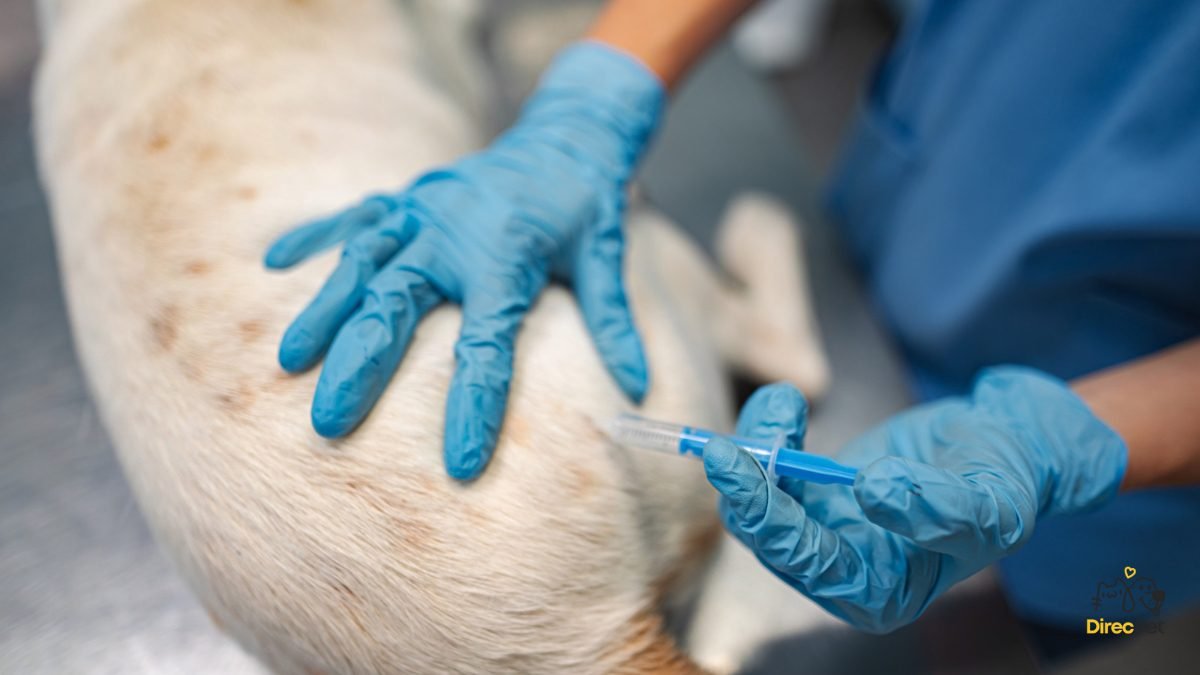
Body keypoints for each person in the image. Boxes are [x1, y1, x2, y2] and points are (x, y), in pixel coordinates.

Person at [263, 0, 1200, 658]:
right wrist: (600, 91)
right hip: (914, 212)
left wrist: (1060, 445)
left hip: (1133, 520)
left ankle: (1107, 630)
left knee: (1096, 638)